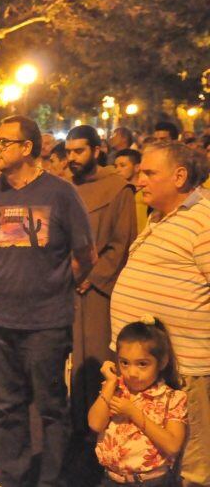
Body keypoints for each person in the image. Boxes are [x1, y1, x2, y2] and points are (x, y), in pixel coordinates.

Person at [0, 115, 96, 487]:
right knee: (8, 407)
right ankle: (12, 474)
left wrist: (53, 288)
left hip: (45, 322)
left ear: (26, 148)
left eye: (2, 143)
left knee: (50, 407)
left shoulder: (60, 193)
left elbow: (85, 256)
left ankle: (53, 479)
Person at [110, 141, 210, 486]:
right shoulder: (160, 217)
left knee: (192, 464)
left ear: (180, 177)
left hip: (189, 369)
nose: (140, 181)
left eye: (150, 173)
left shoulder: (204, 220)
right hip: (156, 365)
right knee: (153, 455)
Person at [65, 125, 138, 433]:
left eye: (79, 151)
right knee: (70, 360)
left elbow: (122, 242)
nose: (72, 158)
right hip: (66, 284)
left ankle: (103, 428)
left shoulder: (119, 188)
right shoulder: (64, 187)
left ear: (97, 151)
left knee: (97, 356)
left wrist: (91, 277)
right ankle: (75, 424)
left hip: (98, 288)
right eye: (68, 152)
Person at [89, 318, 187, 486]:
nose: (132, 373)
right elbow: (95, 424)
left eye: (142, 364)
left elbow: (172, 446)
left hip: (152, 482)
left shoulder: (172, 398)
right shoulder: (114, 389)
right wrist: (111, 383)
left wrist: (133, 412)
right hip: (111, 480)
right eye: (124, 363)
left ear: (162, 362)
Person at [113, 149, 149, 232]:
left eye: (122, 165)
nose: (117, 170)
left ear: (137, 167)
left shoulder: (146, 191)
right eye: (116, 166)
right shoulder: (117, 191)